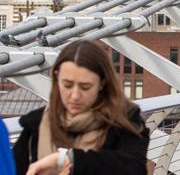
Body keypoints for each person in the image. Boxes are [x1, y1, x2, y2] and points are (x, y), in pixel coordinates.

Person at [13, 40, 149, 175]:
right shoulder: (35, 125)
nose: (75, 96)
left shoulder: (124, 121)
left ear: (102, 83)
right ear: (56, 78)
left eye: (85, 87)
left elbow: (134, 168)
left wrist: (71, 160)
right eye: (67, 85)